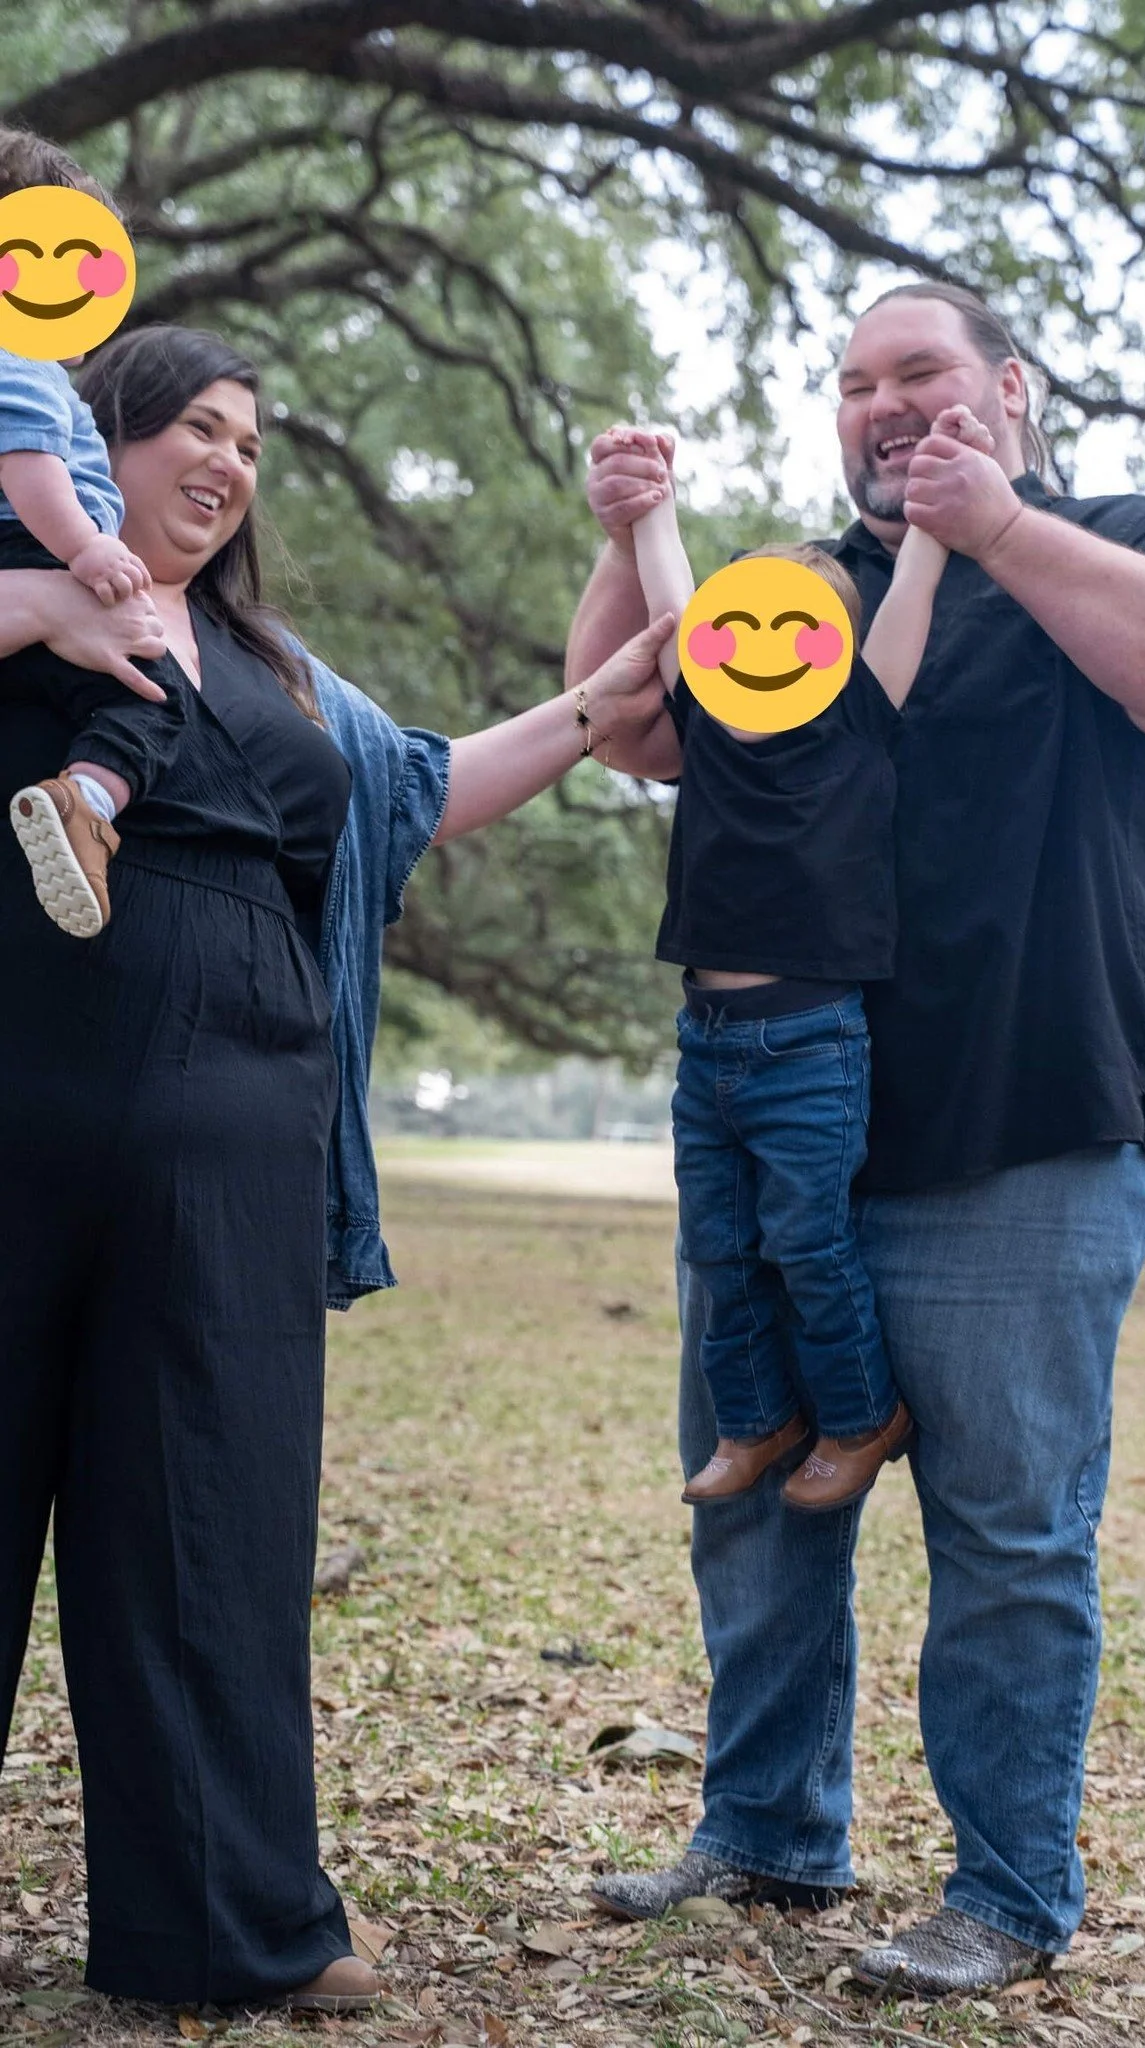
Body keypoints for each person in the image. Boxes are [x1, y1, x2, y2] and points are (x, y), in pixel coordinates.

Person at [564, 281, 1145, 1994]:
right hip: (794, 1125)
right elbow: (629, 727)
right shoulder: (806, 592)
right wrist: (624, 539)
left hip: (1025, 1124)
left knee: (1011, 1528)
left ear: (1009, 389)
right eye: (853, 382)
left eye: (920, 373)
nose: (881, 402)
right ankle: (771, 1824)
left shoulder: (1124, 538)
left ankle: (1013, 1888)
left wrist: (998, 524)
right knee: (763, 1495)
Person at [0, 322, 673, 2012]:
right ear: (100, 437)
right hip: (23, 1071)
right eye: (192, 430)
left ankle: (226, 1925)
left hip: (241, 1115)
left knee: (206, 1520)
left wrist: (604, 694)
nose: (225, 464)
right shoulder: (30, 574)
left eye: (249, 441)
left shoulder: (280, 665)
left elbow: (426, 790)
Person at [613, 407, 991, 1513]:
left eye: (802, 624)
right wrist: (654, 506)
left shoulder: (862, 722)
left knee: (807, 1244)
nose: (768, 641)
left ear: (835, 648)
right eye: (751, 619)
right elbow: (677, 600)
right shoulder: (710, 728)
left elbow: (914, 584)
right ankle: (754, 1418)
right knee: (720, 1247)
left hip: (811, 1038)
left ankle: (861, 1413)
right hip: (709, 1040)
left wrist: (931, 506)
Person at [0, 126, 187, 937]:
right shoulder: (23, 360)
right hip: (37, 548)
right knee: (153, 697)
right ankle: (88, 802)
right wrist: (81, 550)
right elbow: (28, 463)